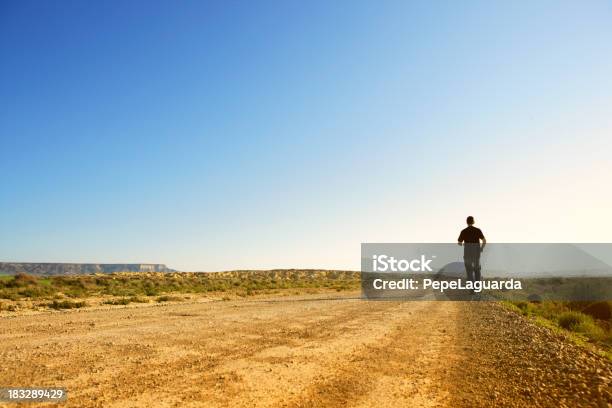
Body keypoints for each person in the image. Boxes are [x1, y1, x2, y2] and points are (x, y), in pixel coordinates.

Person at [457, 216, 486, 283]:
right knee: (477, 270)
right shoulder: (478, 230)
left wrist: (464, 244)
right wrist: (481, 248)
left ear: (466, 222)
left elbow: (459, 243)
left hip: (467, 253)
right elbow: (484, 241)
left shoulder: (463, 231)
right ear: (473, 222)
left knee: (469, 271)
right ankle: (477, 287)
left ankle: (471, 288)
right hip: (476, 253)